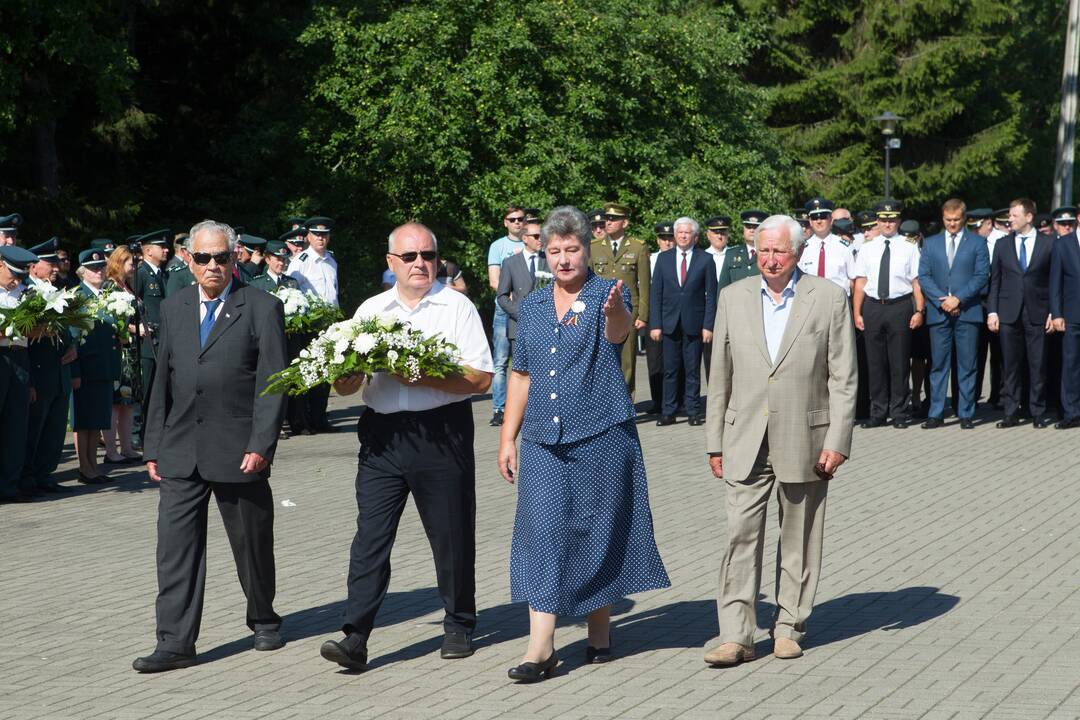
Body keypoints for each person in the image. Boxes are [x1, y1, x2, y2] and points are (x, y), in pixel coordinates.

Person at [496, 206, 670, 682]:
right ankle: (541, 648)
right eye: (554, 251)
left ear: (587, 249)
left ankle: (599, 632)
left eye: (572, 250)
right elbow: (521, 373)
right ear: (544, 253)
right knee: (543, 535)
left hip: (601, 433)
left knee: (598, 530)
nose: (564, 259)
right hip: (541, 439)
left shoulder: (604, 293)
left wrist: (616, 312)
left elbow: (618, 333)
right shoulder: (530, 304)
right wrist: (508, 436)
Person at [319, 222, 493, 672]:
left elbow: (480, 378)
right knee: (371, 537)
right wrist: (346, 376)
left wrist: (424, 376)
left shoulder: (457, 307)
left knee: (450, 532)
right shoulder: (371, 310)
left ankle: (458, 623)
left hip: (441, 431)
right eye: (410, 256)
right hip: (382, 436)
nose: (421, 264)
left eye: (428, 255)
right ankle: (355, 636)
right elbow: (343, 385)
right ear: (391, 262)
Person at [133, 220, 288, 673]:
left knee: (252, 545)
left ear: (235, 257)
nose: (213, 266)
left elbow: (274, 382)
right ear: (189, 259)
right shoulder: (175, 306)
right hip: (181, 448)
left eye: (222, 257)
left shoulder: (261, 307)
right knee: (175, 550)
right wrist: (153, 445)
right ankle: (175, 641)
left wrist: (262, 442)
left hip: (239, 448)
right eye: (203, 258)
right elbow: (161, 377)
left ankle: (263, 616)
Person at [703, 214, 856, 666]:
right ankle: (736, 634)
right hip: (744, 437)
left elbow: (843, 377)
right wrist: (715, 441)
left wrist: (838, 439)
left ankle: (789, 625)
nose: (769, 260)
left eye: (779, 252)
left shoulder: (828, 298)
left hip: (805, 437)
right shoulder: (733, 297)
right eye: (763, 251)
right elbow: (719, 375)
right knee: (739, 538)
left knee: (800, 537)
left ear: (798, 253)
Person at [852, 201, 925, 428]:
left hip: (899, 307)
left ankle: (900, 412)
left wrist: (919, 310)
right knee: (875, 363)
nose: (887, 223)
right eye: (883, 219)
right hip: (873, 306)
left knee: (899, 362)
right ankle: (878, 412)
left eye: (892, 219)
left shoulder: (909, 246)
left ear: (898, 221)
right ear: (878, 221)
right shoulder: (867, 247)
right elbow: (860, 283)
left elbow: (916, 283)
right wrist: (857, 313)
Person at [919, 198, 990, 429]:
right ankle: (936, 412)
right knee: (938, 364)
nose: (952, 224)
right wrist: (943, 302)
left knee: (967, 364)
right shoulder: (930, 243)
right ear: (943, 218)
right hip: (939, 312)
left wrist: (958, 298)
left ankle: (966, 412)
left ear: (964, 219)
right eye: (948, 220)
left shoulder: (977, 243)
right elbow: (924, 277)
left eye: (956, 220)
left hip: (967, 311)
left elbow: (981, 276)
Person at [987, 199, 1055, 428]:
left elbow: (1054, 281)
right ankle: (1010, 411)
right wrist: (993, 311)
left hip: (1038, 311)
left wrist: (1053, 312)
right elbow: (995, 281)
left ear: (1028, 217)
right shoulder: (1003, 245)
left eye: (1015, 215)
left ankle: (1037, 411)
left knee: (1037, 364)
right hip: (1008, 313)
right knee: (1010, 365)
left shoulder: (1048, 243)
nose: (1010, 220)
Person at [649, 217, 717, 427]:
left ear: (695, 236)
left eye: (687, 233)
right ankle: (668, 411)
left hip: (694, 324)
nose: (683, 236)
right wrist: (656, 324)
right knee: (670, 370)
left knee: (692, 370)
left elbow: (711, 296)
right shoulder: (664, 259)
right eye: (680, 233)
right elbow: (656, 294)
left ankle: (693, 411)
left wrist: (708, 325)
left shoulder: (705, 260)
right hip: (669, 324)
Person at [22, 238, 76, 494]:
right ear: (33, 267)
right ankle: (28, 476)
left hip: (59, 371)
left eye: (56, 262)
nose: (55, 267)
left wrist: (73, 345)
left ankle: (45, 473)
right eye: (50, 263)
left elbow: (67, 326)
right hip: (40, 370)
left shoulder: (57, 288)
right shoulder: (27, 292)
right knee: (35, 427)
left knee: (54, 428)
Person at [590, 203, 651, 400]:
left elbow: (644, 285)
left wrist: (642, 315)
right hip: (601, 312)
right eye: (607, 218)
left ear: (624, 222)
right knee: (602, 360)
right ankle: (604, 403)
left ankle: (626, 404)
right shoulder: (594, 247)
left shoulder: (637, 247)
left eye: (613, 219)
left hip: (628, 312)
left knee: (627, 362)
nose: (608, 222)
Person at [71, 248, 121, 484]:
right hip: (87, 367)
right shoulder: (78, 297)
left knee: (98, 419)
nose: (98, 271)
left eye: (101, 266)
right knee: (85, 421)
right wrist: (76, 371)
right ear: (82, 272)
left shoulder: (106, 294)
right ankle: (85, 468)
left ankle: (93, 465)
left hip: (103, 366)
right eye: (92, 268)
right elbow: (73, 338)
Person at [288, 216, 338, 433]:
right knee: (309, 372)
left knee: (327, 374)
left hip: (330, 323)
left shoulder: (332, 260)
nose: (321, 239)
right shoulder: (301, 262)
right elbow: (289, 292)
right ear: (307, 236)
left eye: (325, 234)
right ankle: (303, 421)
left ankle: (320, 418)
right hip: (310, 326)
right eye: (317, 235)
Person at [0, 245, 38, 503]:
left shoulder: (28, 294)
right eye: (13, 273)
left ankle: (9, 485)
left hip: (20, 359)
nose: (17, 280)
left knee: (15, 424)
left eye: (21, 275)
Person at [486, 205, 526, 427]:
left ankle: (525, 407)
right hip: (504, 308)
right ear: (505, 222)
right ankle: (499, 409)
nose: (517, 223)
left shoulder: (533, 241)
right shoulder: (498, 246)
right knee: (500, 362)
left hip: (529, 309)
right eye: (512, 219)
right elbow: (494, 280)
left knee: (525, 361)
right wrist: (512, 297)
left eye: (520, 219)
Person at [101, 247, 142, 463]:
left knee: (127, 402)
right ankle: (111, 450)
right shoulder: (110, 287)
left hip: (131, 352)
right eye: (130, 263)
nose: (133, 267)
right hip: (119, 351)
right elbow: (110, 321)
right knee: (115, 402)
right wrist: (135, 330)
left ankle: (127, 447)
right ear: (119, 262)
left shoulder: (127, 286)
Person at [134, 229, 170, 441]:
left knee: (160, 387)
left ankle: (157, 430)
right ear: (148, 250)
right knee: (146, 387)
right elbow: (132, 307)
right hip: (147, 340)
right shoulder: (140, 274)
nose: (166, 250)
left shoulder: (162, 274)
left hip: (162, 339)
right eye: (161, 246)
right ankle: (141, 432)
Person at [1050, 212, 1080, 428]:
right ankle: (1072, 412)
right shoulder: (1063, 245)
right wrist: (1057, 313)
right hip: (1072, 315)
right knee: (1071, 364)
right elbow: (1055, 283)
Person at [496, 219, 544, 355]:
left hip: (546, 327)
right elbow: (502, 296)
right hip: (519, 326)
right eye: (536, 236)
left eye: (542, 236)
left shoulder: (549, 260)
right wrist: (521, 313)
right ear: (525, 238)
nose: (540, 239)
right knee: (520, 373)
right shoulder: (510, 263)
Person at [645, 222, 676, 414]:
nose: (667, 242)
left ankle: (675, 400)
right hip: (654, 314)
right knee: (655, 360)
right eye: (664, 238)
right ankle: (657, 400)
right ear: (658, 240)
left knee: (674, 360)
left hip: (674, 313)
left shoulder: (680, 258)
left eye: (670, 238)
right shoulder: (650, 259)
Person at [797, 197, 856, 293]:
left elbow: (853, 280)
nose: (819, 221)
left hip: (838, 301)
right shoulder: (803, 249)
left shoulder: (845, 247)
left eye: (823, 216)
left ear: (831, 220)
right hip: (811, 301)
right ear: (810, 222)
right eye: (815, 218)